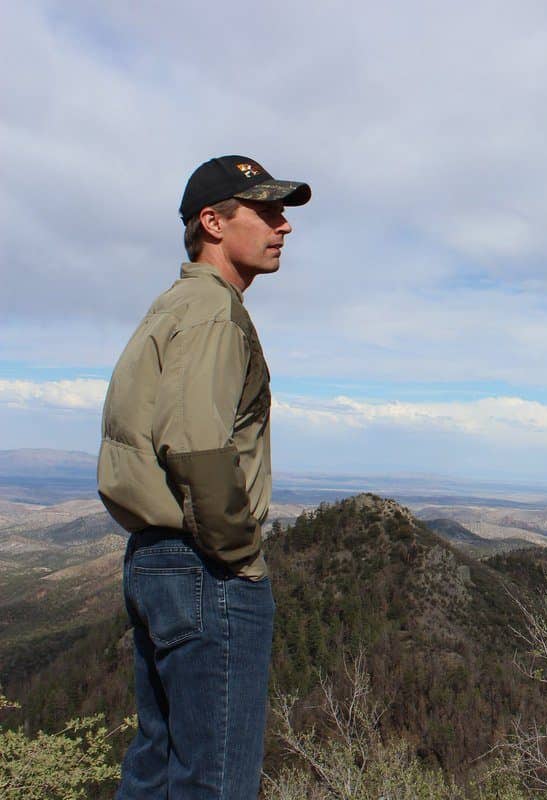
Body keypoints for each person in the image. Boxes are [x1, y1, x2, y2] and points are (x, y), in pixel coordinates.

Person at [97, 155, 311, 799]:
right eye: (267, 211)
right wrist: (241, 557)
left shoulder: (172, 307)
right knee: (215, 782)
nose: (284, 226)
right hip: (204, 569)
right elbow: (194, 445)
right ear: (212, 223)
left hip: (155, 562)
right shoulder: (215, 313)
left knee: (157, 769)